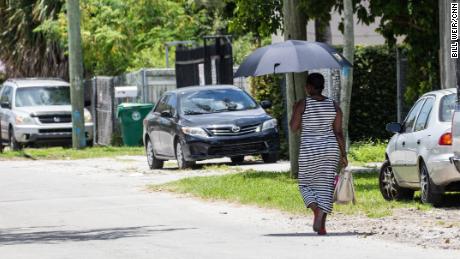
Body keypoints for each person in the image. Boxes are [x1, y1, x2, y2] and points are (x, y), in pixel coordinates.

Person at [289, 73, 347, 235]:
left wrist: (295, 110)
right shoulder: (334, 105)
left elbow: (293, 128)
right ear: (322, 86)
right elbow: (338, 132)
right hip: (330, 150)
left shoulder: (302, 104)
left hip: (310, 150)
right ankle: (321, 225)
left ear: (308, 87)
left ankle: (316, 210)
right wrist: (344, 155)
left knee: (305, 184)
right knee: (326, 187)